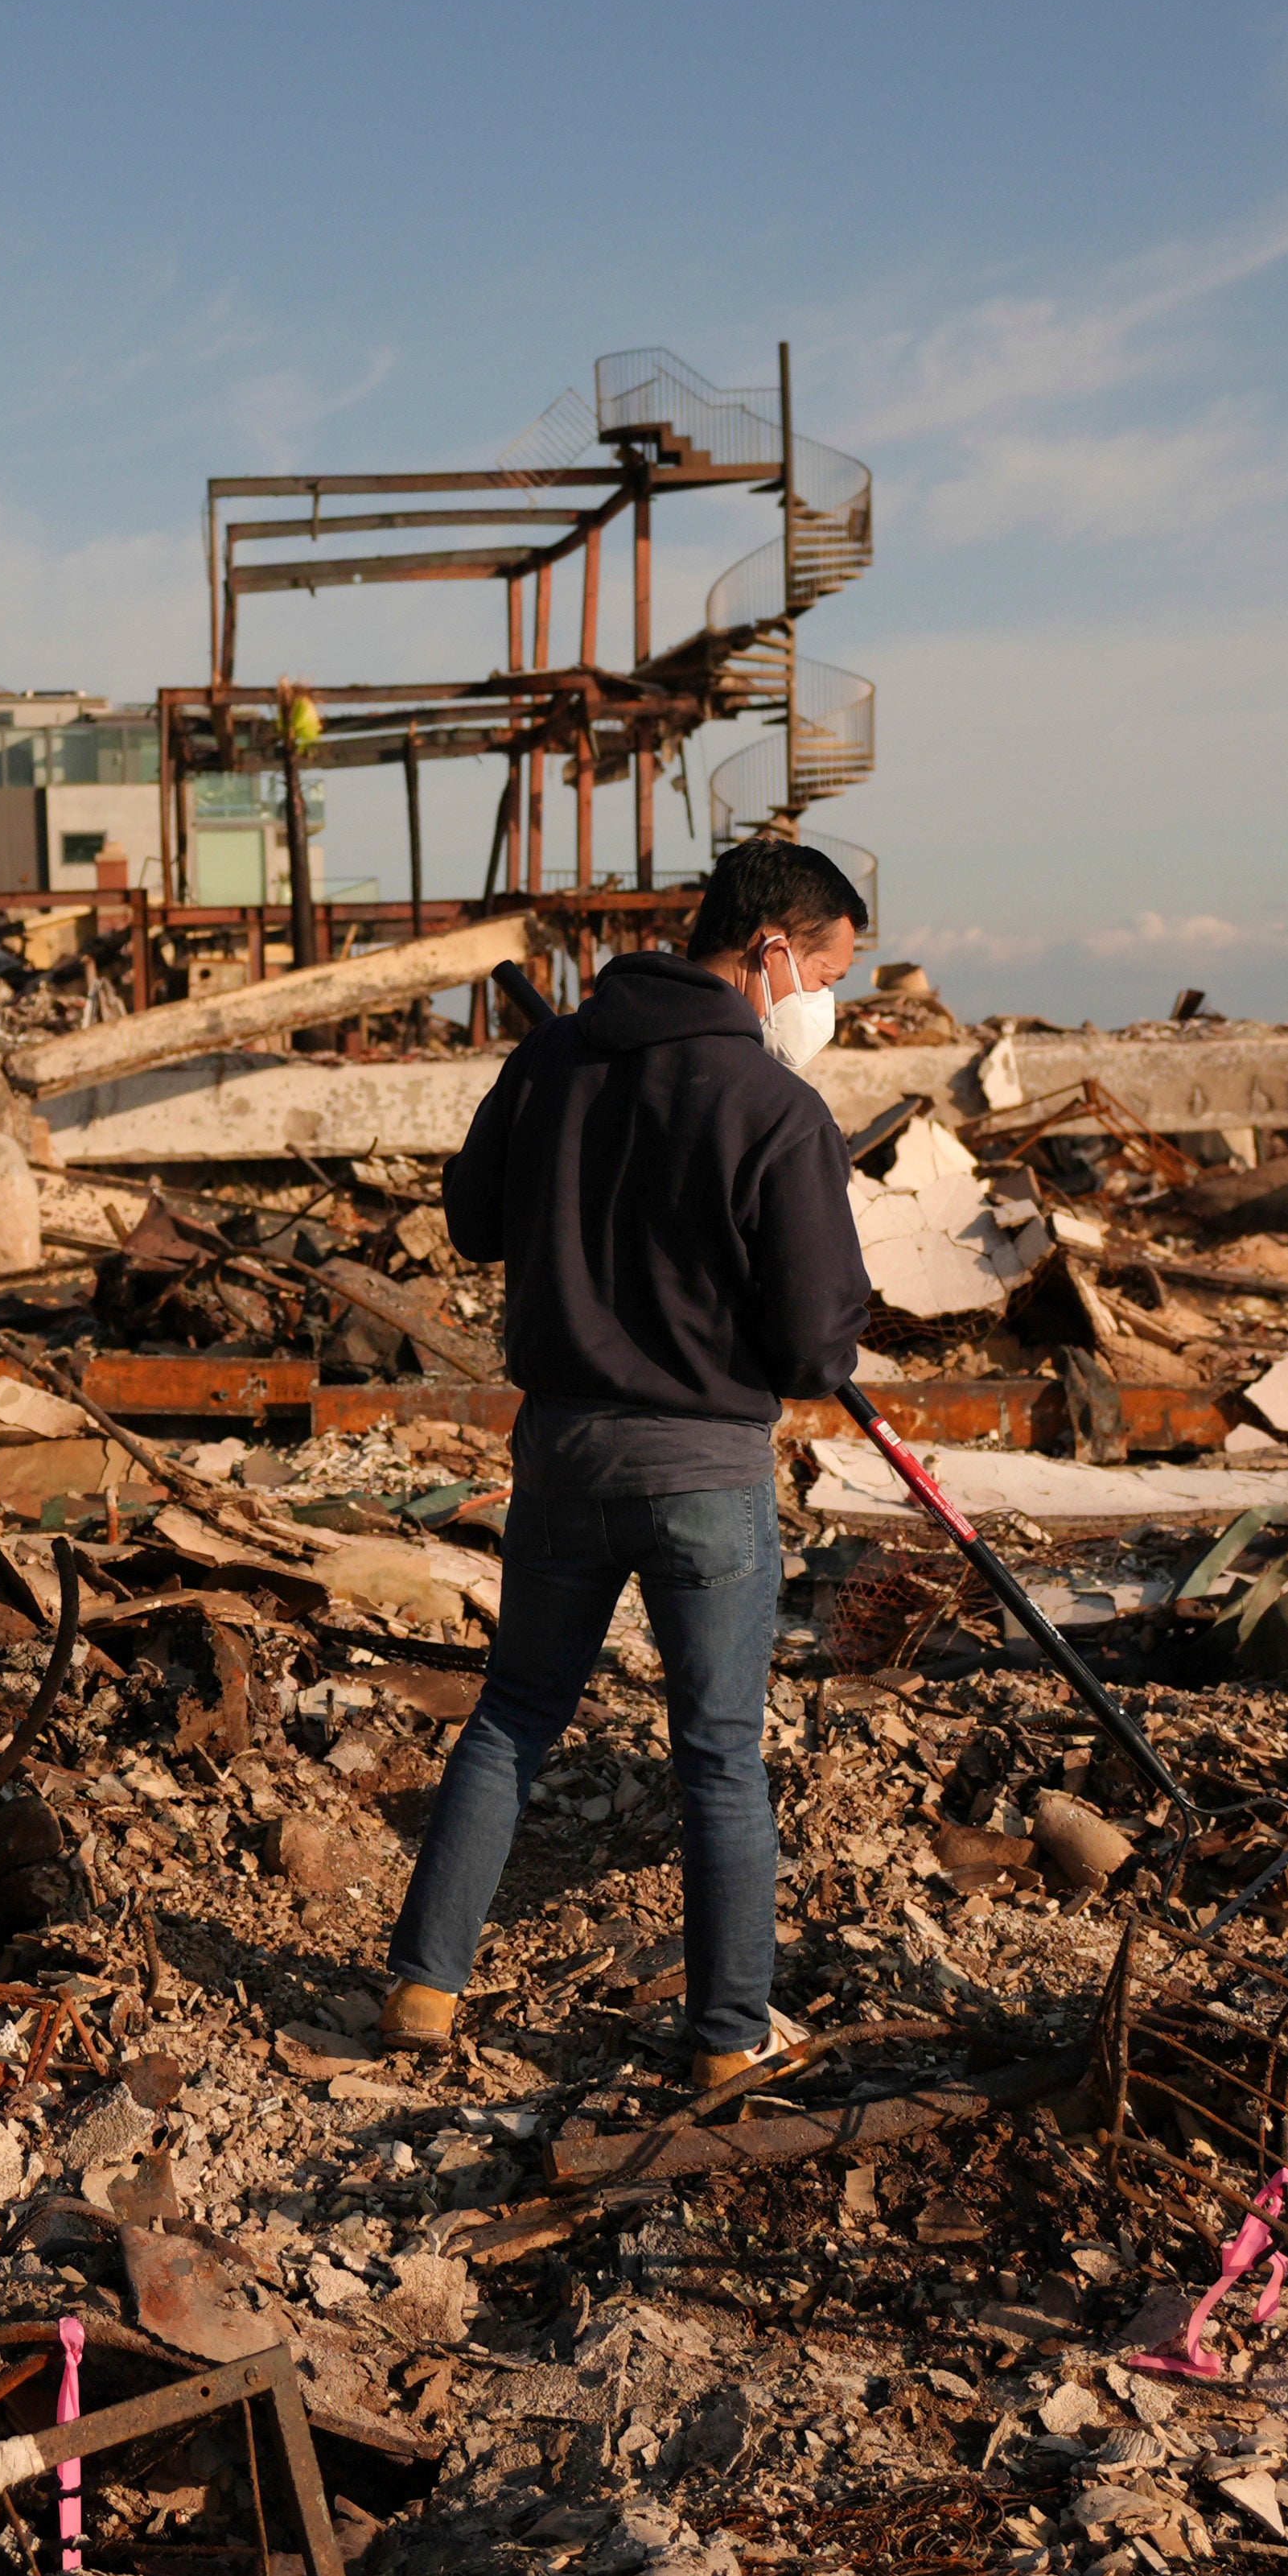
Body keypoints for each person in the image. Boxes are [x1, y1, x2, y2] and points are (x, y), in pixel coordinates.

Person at [378, 838, 874, 2094]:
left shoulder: (552, 1059)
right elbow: (816, 1349)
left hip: (559, 1456)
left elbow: (476, 1221)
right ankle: (728, 2040)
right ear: (771, 951)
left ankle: (424, 1990)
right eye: (830, 970)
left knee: (512, 1719)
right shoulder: (776, 1110)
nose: (831, 1005)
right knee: (717, 1754)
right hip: (704, 1474)